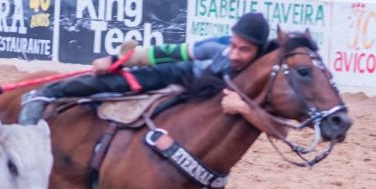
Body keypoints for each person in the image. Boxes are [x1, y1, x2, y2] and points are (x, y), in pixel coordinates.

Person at [18, 12, 279, 132]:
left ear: (258, 51)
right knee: (117, 82)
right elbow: (168, 52)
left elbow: (280, 129)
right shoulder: (216, 47)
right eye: (233, 46)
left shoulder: (265, 72)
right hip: (180, 74)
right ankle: (45, 94)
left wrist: (244, 108)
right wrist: (118, 59)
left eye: (243, 50)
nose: (234, 54)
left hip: (199, 103)